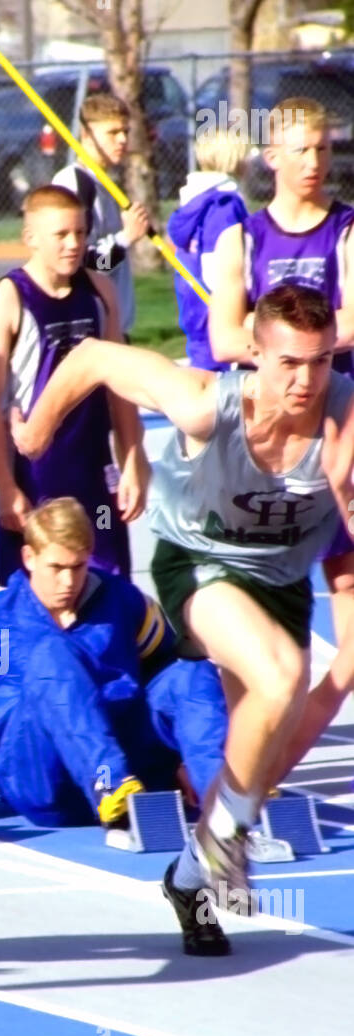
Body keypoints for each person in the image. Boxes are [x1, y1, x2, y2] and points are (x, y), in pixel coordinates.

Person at [9, 284, 354, 923]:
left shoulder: (345, 415)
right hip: (199, 562)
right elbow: (90, 357)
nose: (305, 382)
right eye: (288, 363)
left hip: (277, 582)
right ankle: (226, 845)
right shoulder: (205, 404)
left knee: (265, 729)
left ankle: (194, 873)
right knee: (279, 675)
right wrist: (35, 431)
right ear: (254, 353)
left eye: (320, 361)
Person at [0, 497, 231, 956]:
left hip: (132, 764)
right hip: (38, 776)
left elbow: (169, 671)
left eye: (79, 567)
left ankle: (225, 805)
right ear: (28, 558)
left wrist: (187, 756)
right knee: (52, 656)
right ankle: (110, 789)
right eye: (56, 567)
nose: (68, 581)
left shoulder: (122, 602)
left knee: (193, 670)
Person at [208, 97, 354, 641]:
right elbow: (223, 339)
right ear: (272, 156)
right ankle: (269, 694)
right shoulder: (242, 238)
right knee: (264, 576)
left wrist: (271, 338)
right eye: (300, 151)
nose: (314, 162)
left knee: (346, 575)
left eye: (322, 149)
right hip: (269, 433)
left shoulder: (345, 230)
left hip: (336, 420)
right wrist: (302, 346)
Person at [0, 184, 149, 588]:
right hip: (37, 475)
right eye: (61, 235)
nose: (74, 244)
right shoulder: (8, 299)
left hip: (93, 467)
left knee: (109, 587)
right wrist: (4, 486)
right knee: (33, 591)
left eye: (81, 233)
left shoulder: (99, 291)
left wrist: (133, 460)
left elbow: (121, 386)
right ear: (30, 237)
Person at [52, 93, 150, 338]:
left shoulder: (104, 183)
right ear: (86, 135)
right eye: (112, 132)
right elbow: (84, 262)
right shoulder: (75, 184)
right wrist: (126, 238)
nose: (122, 139)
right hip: (92, 331)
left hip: (115, 328)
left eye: (125, 131)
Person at [166, 129, 249, 369]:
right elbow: (216, 262)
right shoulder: (224, 205)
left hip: (192, 300)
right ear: (234, 159)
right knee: (217, 381)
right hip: (215, 304)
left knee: (202, 360)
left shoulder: (194, 201)